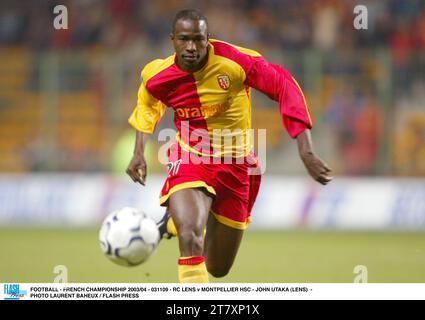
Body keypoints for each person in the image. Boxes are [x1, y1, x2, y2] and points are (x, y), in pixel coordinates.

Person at [126, 9, 333, 283]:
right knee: (191, 237)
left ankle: (174, 222)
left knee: (217, 267)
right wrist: (138, 151)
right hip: (192, 157)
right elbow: (148, 106)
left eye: (198, 39)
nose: (191, 47)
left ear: (207, 38)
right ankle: (184, 225)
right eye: (184, 39)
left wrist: (305, 149)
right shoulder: (157, 75)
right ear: (172, 40)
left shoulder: (234, 61)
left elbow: (284, 85)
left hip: (237, 165)